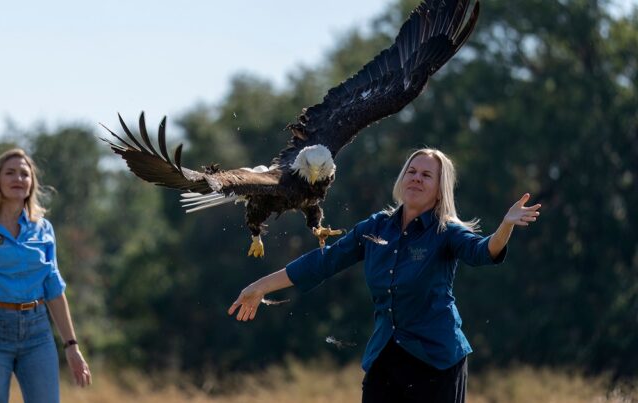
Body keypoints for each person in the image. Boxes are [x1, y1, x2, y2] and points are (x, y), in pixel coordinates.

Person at [227, 148, 542, 403]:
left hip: (437, 362)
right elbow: (325, 261)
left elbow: (484, 252)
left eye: (426, 175)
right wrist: (259, 286)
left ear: (438, 190)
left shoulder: (447, 231)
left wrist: (506, 226)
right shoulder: (376, 227)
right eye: (412, 172)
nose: (416, 179)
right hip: (385, 358)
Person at [0, 148, 92, 403]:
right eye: (10, 173)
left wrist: (72, 346)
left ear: (31, 184)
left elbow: (54, 287)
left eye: (24, 174)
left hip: (37, 332)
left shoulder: (44, 229)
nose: (18, 178)